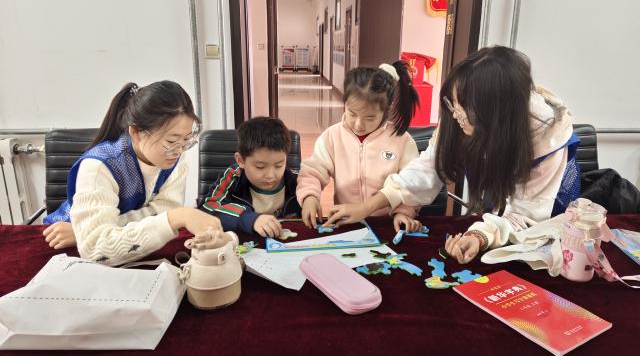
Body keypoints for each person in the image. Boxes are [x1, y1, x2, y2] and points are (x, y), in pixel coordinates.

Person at [325, 46, 581, 263]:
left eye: (464, 112)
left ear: (496, 117)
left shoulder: (547, 139)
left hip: (544, 231)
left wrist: (481, 235)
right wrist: (368, 206)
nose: (456, 116)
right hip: (496, 214)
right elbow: (428, 167)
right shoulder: (463, 109)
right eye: (453, 104)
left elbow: (526, 217)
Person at [43, 80, 225, 265]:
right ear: (136, 133)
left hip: (109, 241)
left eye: (186, 140)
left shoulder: (175, 157)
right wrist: (176, 217)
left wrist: (94, 230)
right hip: (62, 243)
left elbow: (165, 210)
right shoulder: (100, 167)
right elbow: (95, 250)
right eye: (171, 141)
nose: (179, 150)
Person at [297, 61, 422, 232]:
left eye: (370, 118)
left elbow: (412, 184)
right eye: (352, 113)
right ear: (345, 103)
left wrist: (403, 212)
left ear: (386, 111)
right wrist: (309, 197)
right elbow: (313, 172)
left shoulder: (402, 141)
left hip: (387, 224)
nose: (358, 124)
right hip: (347, 224)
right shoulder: (332, 137)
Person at [198, 117, 301, 238]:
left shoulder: (296, 181)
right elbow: (207, 207)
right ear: (241, 160)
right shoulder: (233, 176)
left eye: (279, 165)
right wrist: (249, 218)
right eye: (260, 167)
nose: (270, 175)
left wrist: (310, 199)